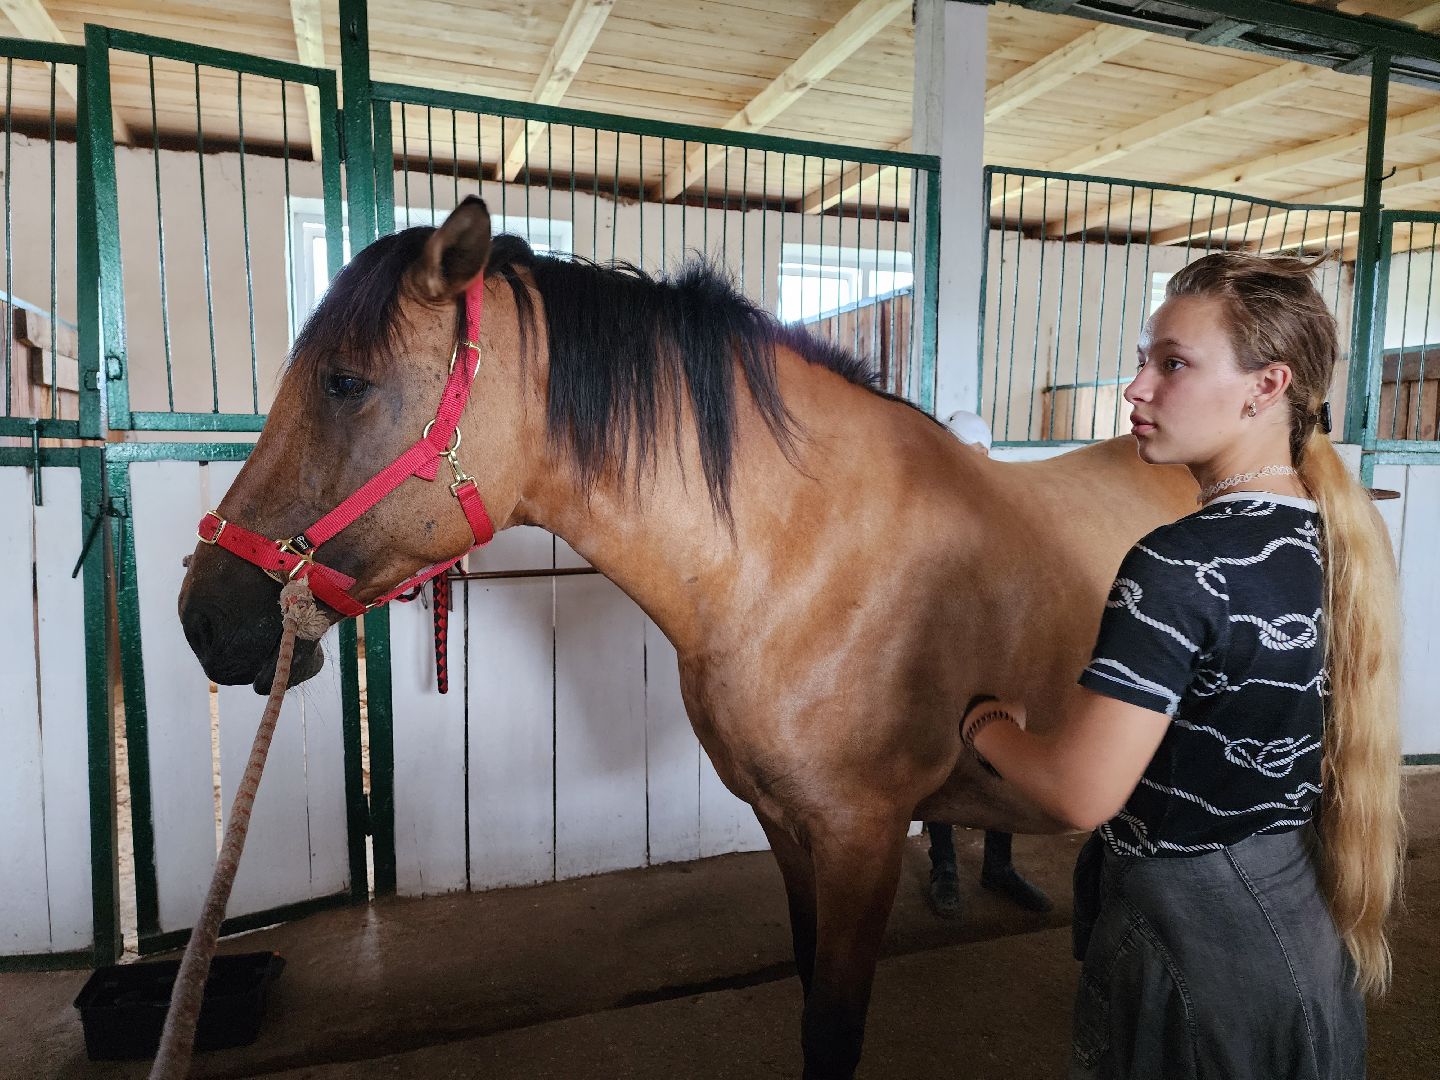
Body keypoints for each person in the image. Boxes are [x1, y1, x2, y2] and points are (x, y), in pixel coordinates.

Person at [959, 253, 1403, 1079]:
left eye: (1173, 364)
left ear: (1265, 387)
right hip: (1295, 907)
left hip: (1194, 937)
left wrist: (987, 727)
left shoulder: (1180, 561)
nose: (1136, 389)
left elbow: (1079, 792)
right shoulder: (1337, 532)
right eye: (1143, 360)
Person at [925, 411, 1052, 919]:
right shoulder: (931, 506)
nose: (971, 466)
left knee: (1001, 759)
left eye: (977, 456)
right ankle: (944, 869)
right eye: (962, 454)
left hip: (998, 652)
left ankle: (998, 866)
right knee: (938, 765)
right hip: (945, 654)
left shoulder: (1006, 504)